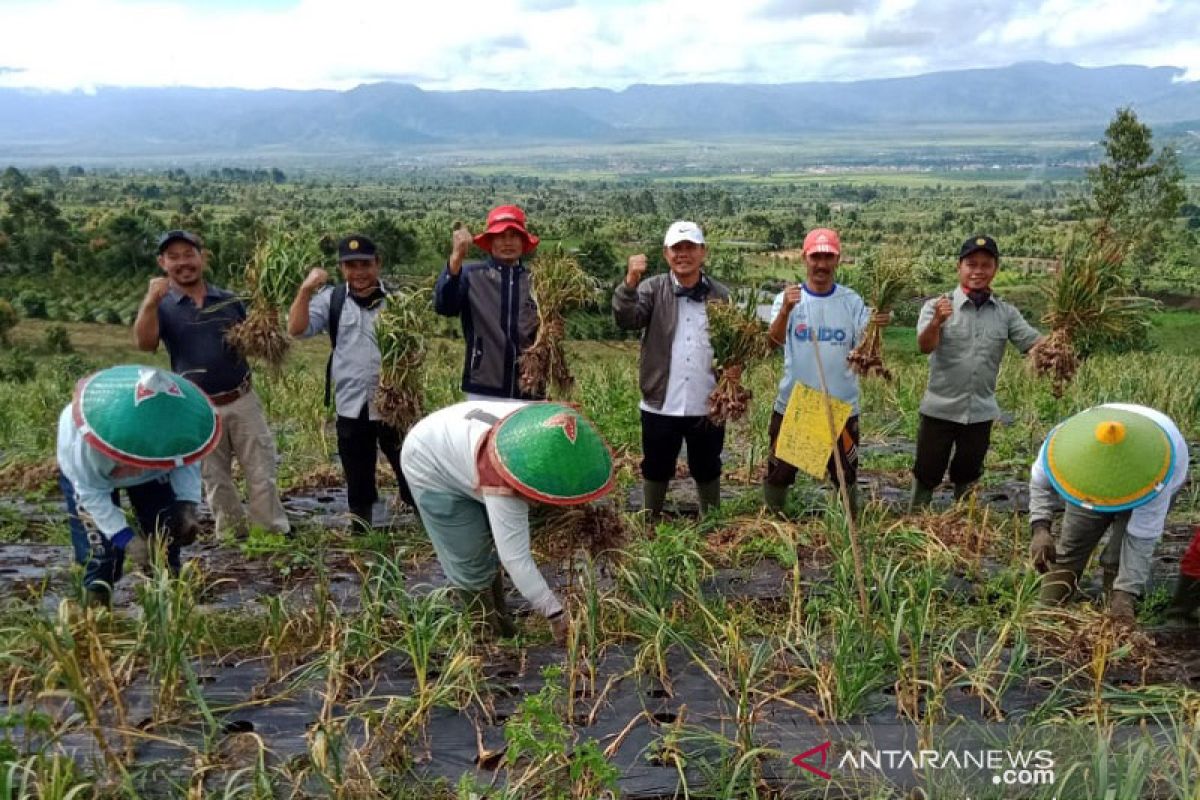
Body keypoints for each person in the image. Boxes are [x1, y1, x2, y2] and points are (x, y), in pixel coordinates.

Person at [400, 401, 614, 642]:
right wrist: (556, 615)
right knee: (470, 555)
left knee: (489, 541)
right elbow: (515, 560)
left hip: (459, 437)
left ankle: (502, 618)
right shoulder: (506, 479)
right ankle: (487, 633)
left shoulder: (546, 427)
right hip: (429, 461)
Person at [133, 229, 289, 539]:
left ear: (202, 258)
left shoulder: (228, 300)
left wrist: (268, 325)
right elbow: (144, 343)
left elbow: (254, 338)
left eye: (189, 255)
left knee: (261, 469)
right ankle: (232, 535)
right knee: (214, 478)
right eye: (174, 257)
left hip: (241, 397)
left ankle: (270, 533)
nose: (183, 263)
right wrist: (150, 302)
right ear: (162, 263)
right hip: (198, 408)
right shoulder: (162, 306)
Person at [57, 365, 216, 606]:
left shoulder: (181, 422)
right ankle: (96, 616)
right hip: (93, 482)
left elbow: (186, 456)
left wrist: (187, 504)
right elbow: (91, 493)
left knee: (166, 539)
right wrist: (126, 539)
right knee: (102, 555)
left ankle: (170, 607)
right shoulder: (82, 441)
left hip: (153, 475)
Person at [287, 234, 414, 532]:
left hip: (392, 403)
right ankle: (362, 531)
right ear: (342, 269)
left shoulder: (398, 303)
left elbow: (415, 349)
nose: (359, 272)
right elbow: (296, 329)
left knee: (408, 464)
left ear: (378, 264)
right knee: (357, 471)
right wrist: (306, 290)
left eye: (365, 264)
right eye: (351, 266)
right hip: (351, 402)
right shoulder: (332, 300)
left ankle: (425, 525)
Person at [910, 235, 1042, 510]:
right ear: (959, 267)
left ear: (995, 268)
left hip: (980, 410)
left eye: (985, 265)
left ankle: (964, 525)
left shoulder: (1005, 313)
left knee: (968, 473)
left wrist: (1063, 339)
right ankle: (915, 522)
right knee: (927, 472)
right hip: (940, 409)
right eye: (971, 264)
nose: (978, 271)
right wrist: (937, 321)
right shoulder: (938, 306)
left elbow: (1032, 343)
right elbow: (925, 346)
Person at [613, 220, 731, 518]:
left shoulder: (720, 295)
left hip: (707, 401)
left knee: (707, 465)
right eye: (677, 248)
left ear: (703, 252)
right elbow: (627, 319)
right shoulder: (651, 288)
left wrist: (732, 373)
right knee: (656, 465)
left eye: (690, 247)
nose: (683, 254)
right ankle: (650, 518)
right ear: (666, 254)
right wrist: (629, 283)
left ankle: (711, 521)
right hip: (661, 400)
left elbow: (732, 343)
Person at [1029, 403, 1189, 624]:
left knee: (1117, 557)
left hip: (1143, 480)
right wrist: (1040, 528)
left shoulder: (1156, 474)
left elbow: (1141, 538)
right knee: (1072, 548)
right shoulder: (1064, 446)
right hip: (1088, 482)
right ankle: (1044, 615)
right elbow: (1039, 482)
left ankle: (1113, 620)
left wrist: (1126, 593)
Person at [763, 228, 884, 518]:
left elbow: (869, 353)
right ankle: (773, 524)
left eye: (828, 256)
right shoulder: (788, 299)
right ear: (804, 258)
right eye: (815, 256)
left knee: (845, 475)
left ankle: (848, 525)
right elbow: (771, 343)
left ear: (837, 260)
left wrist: (879, 326)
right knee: (780, 472)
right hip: (797, 403)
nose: (821, 264)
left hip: (840, 405)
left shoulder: (852, 301)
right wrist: (785, 313)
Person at [434, 205, 542, 401]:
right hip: (483, 389)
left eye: (514, 235)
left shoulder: (538, 281)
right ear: (490, 241)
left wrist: (540, 364)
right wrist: (456, 257)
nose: (507, 242)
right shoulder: (471, 275)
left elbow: (548, 332)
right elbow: (444, 306)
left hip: (530, 388)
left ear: (523, 241)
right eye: (500, 236)